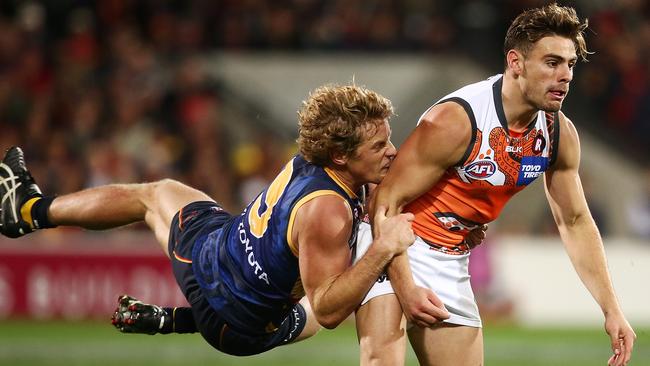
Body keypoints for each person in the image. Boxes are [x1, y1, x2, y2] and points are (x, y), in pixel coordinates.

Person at [0, 84, 417, 356]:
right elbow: (328, 312)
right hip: (233, 314)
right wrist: (384, 247)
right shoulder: (328, 211)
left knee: (155, 194)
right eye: (380, 144)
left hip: (219, 259)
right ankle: (23, 210)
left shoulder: (317, 157)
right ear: (341, 155)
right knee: (315, 307)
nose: (392, 151)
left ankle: (29, 210)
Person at [354, 4, 636, 366]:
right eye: (552, 62)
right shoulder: (458, 120)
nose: (565, 75)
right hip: (393, 246)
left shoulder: (557, 133)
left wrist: (611, 309)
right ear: (516, 63)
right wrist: (405, 286)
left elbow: (575, 222)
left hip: (450, 257)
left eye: (570, 64)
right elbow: (385, 203)